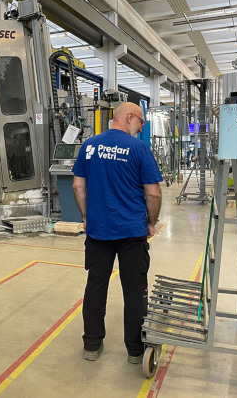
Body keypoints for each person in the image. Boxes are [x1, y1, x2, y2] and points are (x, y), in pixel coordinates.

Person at [72, 102, 162, 364]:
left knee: (96, 286)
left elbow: (78, 187)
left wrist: (87, 217)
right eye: (141, 122)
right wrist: (151, 222)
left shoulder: (89, 146)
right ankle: (135, 351)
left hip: (98, 231)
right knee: (134, 290)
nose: (141, 128)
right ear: (129, 117)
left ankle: (92, 345)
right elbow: (153, 193)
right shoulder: (138, 148)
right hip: (131, 231)